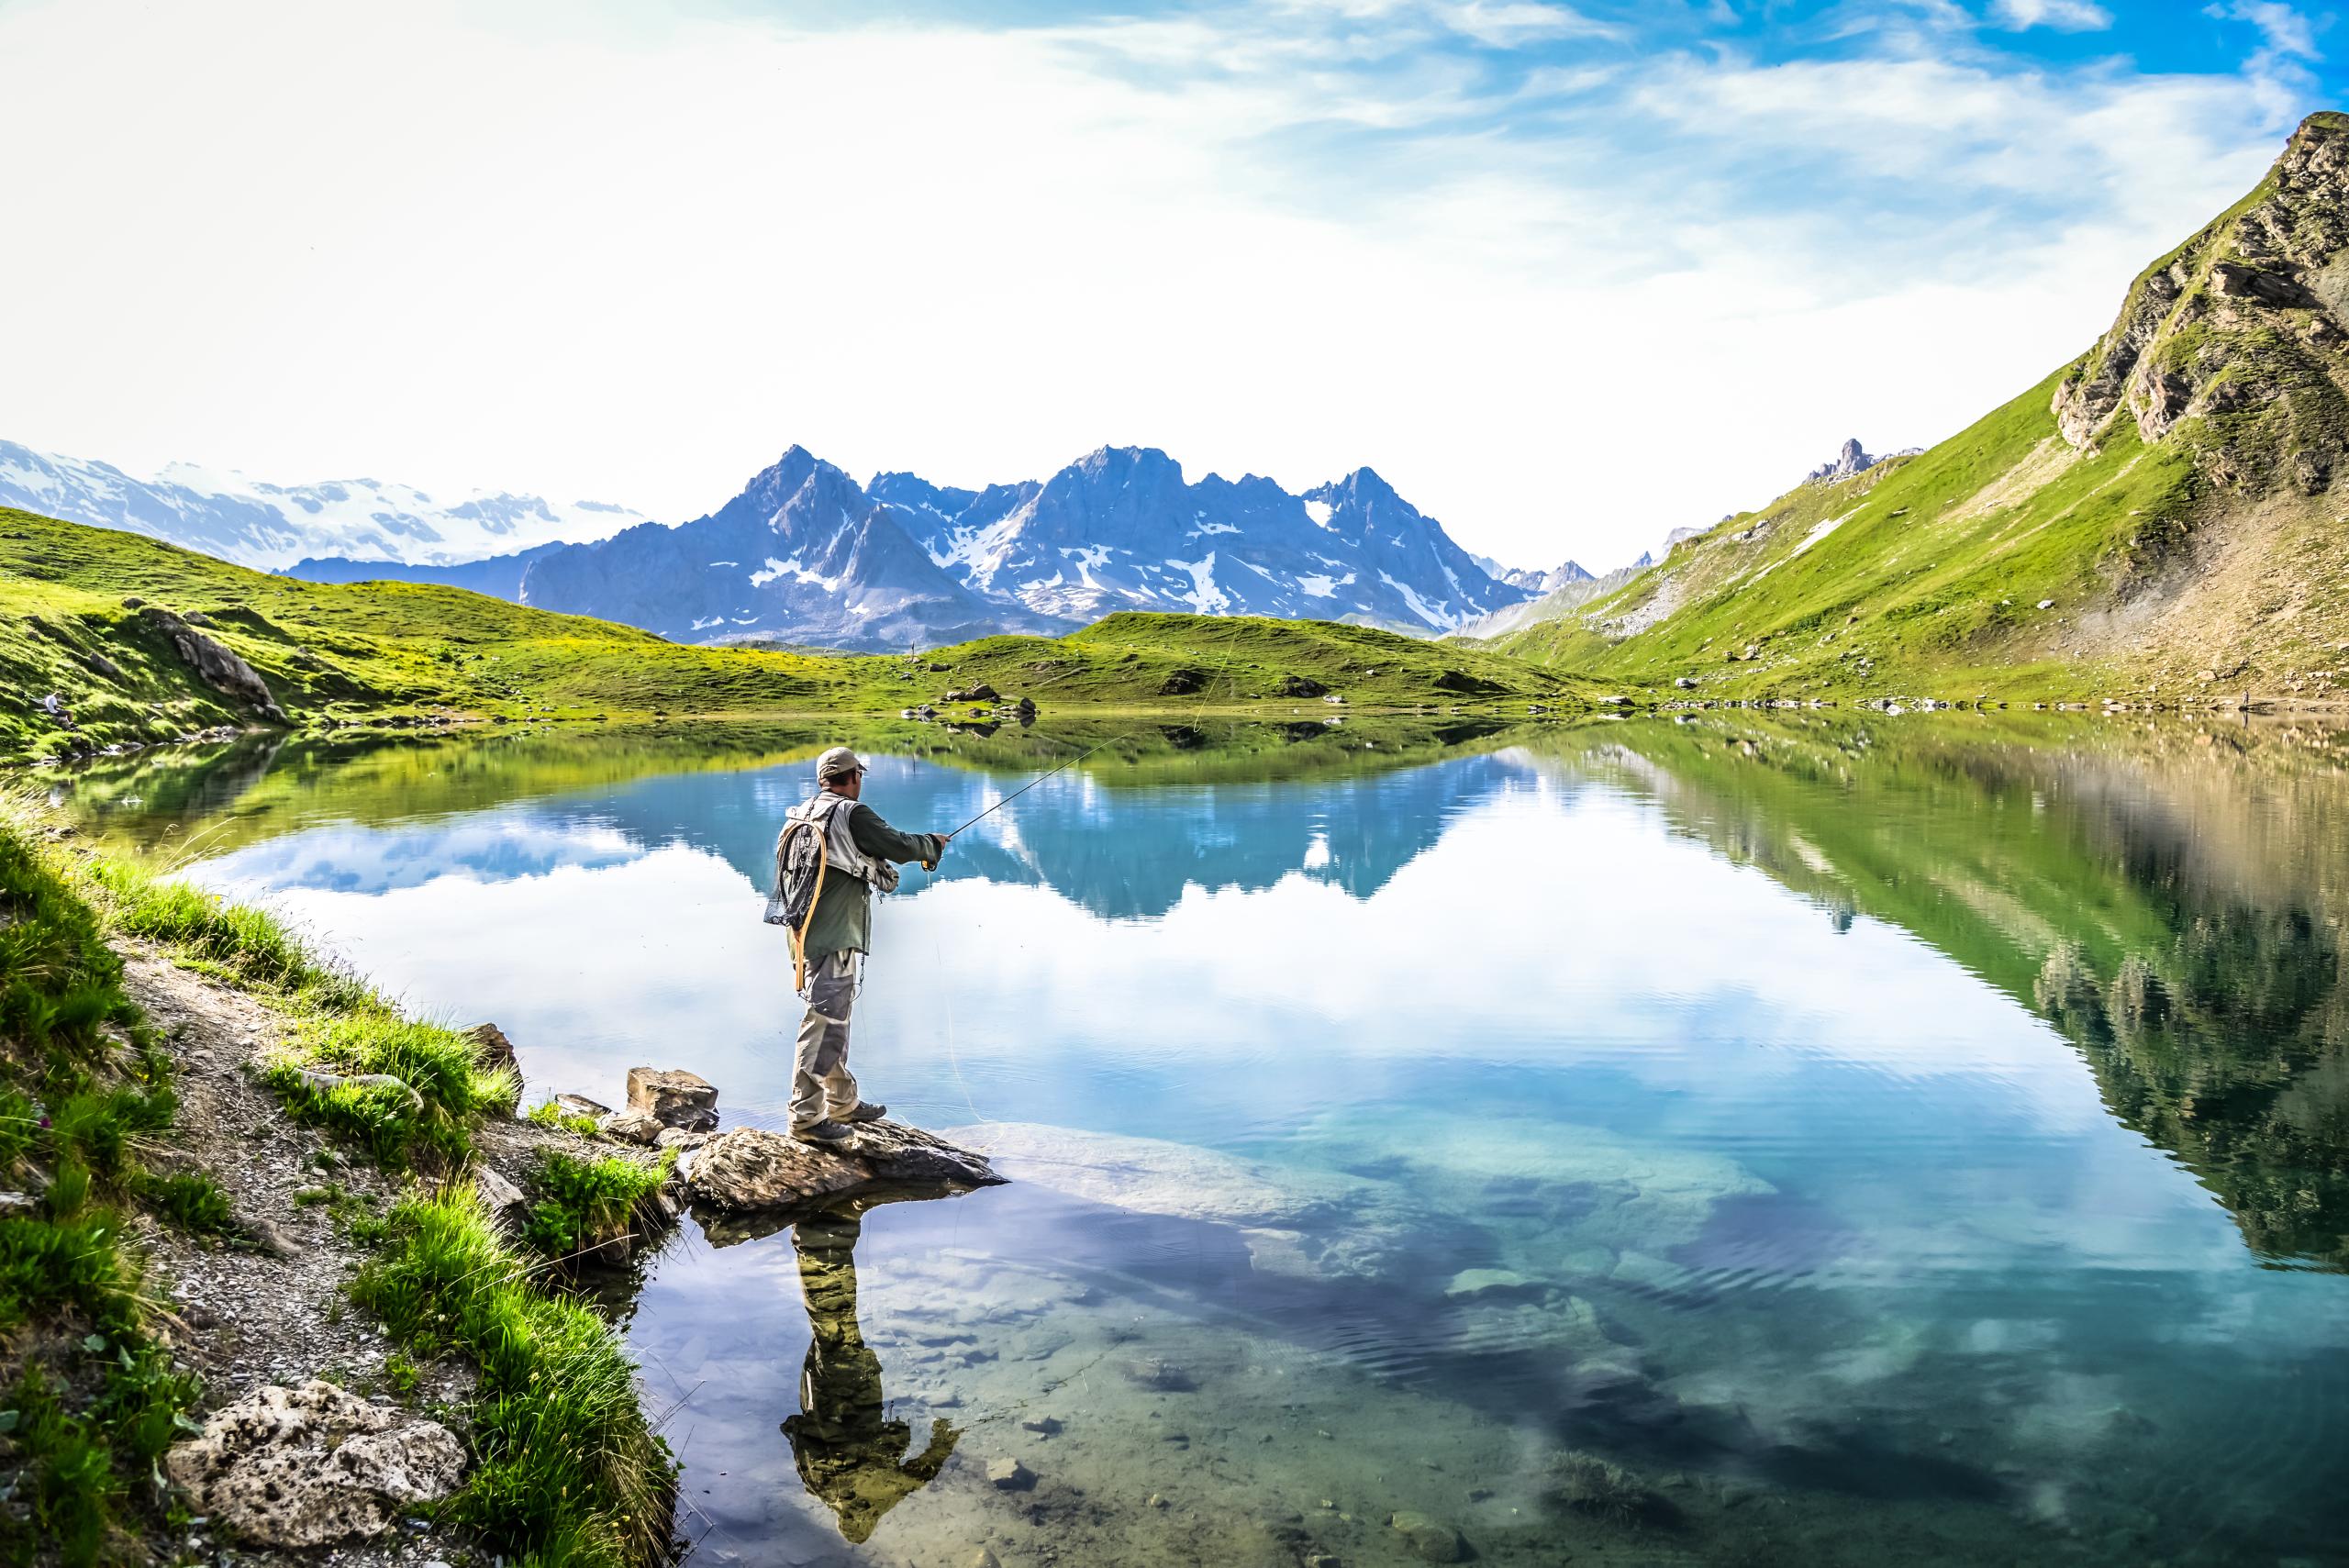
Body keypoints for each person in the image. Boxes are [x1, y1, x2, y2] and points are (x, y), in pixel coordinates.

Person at [781, 746, 950, 1145]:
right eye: (860, 774)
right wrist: (933, 844)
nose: (860, 781)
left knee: (834, 1016)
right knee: (824, 1022)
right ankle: (806, 1119)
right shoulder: (851, 813)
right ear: (854, 776)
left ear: (824, 778)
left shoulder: (804, 812)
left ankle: (842, 1102)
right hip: (834, 934)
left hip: (803, 933)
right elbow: (900, 846)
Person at [779, 1204, 960, 1542]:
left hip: (852, 1395)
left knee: (836, 1327)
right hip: (844, 1394)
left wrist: (943, 1439)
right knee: (834, 1327)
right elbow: (796, 1433)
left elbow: (921, 1473)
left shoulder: (853, 1493)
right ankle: (825, 1233)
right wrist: (941, 1440)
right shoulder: (834, 1490)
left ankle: (829, 1232)